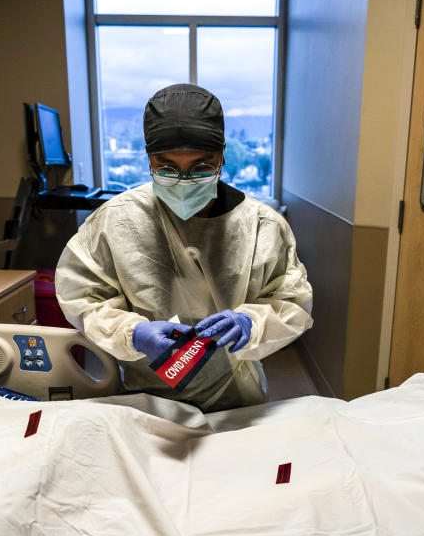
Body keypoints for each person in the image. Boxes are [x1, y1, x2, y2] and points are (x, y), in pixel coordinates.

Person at [55, 84, 312, 411]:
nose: (184, 181)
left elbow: (292, 302)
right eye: (168, 168)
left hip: (235, 396)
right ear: (149, 160)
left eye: (201, 167)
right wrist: (134, 333)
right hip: (147, 397)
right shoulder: (115, 222)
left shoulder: (262, 226)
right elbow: (84, 299)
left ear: (221, 158)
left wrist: (252, 323)